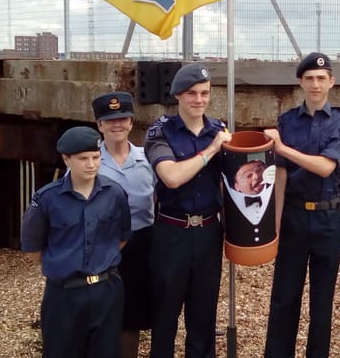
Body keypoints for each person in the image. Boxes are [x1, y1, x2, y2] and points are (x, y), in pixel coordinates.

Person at [263, 52, 340, 358]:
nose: (315, 84)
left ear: (331, 82)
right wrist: (274, 226)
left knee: (322, 303)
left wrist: (284, 148)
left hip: (328, 219)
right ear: (301, 82)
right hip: (294, 217)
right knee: (284, 299)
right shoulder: (287, 121)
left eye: (321, 78)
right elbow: (282, 174)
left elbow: (327, 167)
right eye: (309, 78)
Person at [20, 126, 132, 358]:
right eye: (83, 159)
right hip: (64, 294)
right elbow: (33, 250)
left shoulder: (115, 194)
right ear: (66, 159)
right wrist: (64, 264)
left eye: (95, 157)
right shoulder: (46, 199)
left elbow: (121, 238)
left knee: (107, 352)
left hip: (106, 290)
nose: (91, 164)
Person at [144, 64, 232, 358]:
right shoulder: (161, 131)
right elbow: (171, 177)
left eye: (205, 93)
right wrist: (211, 151)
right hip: (172, 232)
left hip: (208, 231)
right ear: (178, 96)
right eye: (192, 93)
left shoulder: (218, 130)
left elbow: (235, 183)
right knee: (165, 315)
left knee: (203, 316)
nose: (199, 100)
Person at [91, 91, 156, 358]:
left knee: (132, 312)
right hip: (102, 244)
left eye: (122, 118)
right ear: (100, 125)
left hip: (142, 244)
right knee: (101, 310)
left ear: (131, 122)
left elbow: (160, 198)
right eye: (109, 120)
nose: (117, 124)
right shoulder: (89, 161)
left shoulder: (148, 159)